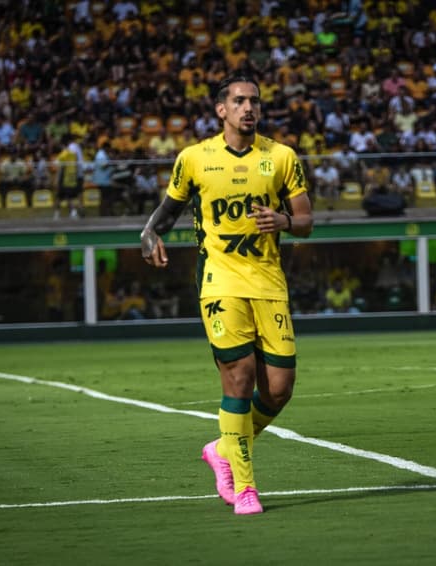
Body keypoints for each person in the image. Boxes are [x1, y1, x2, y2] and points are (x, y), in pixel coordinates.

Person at [140, 75, 313, 515]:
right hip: (219, 280)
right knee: (239, 377)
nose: (248, 107)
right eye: (239, 101)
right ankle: (246, 488)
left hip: (269, 283)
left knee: (279, 389)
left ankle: (221, 449)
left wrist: (284, 221)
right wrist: (149, 236)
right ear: (222, 110)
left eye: (254, 100)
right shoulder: (194, 158)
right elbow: (165, 214)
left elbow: (307, 220)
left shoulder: (281, 157)